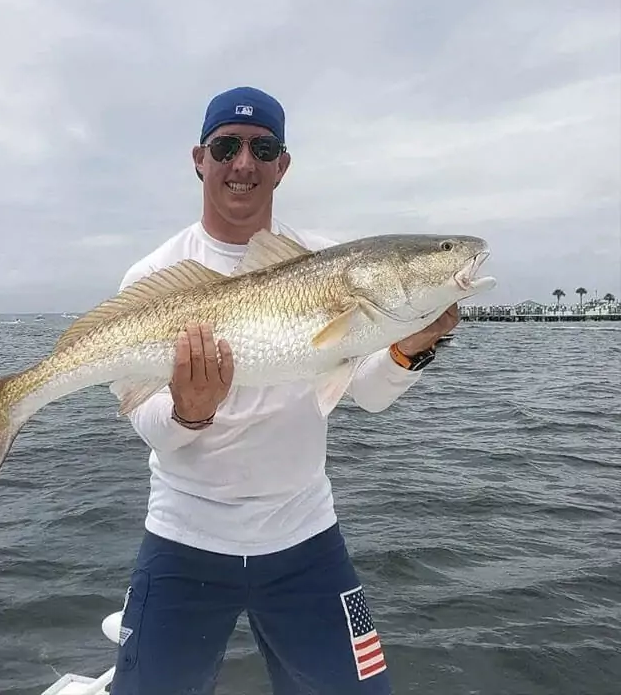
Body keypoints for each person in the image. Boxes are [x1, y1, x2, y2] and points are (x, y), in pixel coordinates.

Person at [109, 86, 459, 695]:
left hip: (306, 538)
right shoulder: (153, 277)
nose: (243, 162)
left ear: (282, 165)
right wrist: (188, 415)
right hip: (185, 538)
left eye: (262, 147)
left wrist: (412, 344)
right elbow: (145, 417)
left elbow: (368, 393)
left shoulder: (329, 264)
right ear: (200, 158)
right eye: (227, 146)